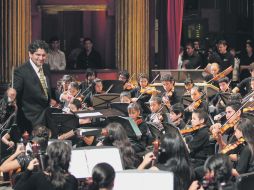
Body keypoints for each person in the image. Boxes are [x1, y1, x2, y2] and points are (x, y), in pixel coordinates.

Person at [14, 40, 51, 134]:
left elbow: (45, 91)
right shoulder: (21, 71)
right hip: (30, 122)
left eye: (43, 55)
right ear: (30, 54)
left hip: (46, 120)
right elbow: (15, 92)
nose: (41, 58)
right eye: (37, 55)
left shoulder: (46, 67)